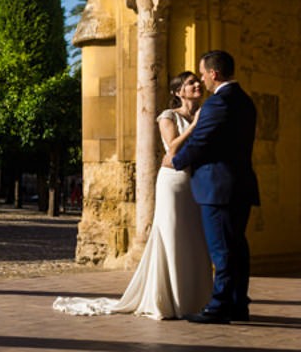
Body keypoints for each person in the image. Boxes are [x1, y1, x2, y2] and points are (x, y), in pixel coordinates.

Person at [53, 71, 211, 319]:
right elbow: (172, 148)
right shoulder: (167, 116)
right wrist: (194, 125)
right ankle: (171, 301)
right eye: (190, 83)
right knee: (172, 235)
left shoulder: (206, 113)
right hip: (173, 183)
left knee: (193, 238)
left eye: (197, 81)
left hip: (196, 181)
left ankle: (195, 300)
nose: (196, 85)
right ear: (178, 92)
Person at [171, 49, 259, 323]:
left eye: (202, 73)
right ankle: (238, 304)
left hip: (218, 187)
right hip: (240, 185)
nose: (201, 79)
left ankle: (219, 306)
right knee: (237, 248)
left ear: (213, 73)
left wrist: (176, 161)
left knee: (221, 249)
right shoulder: (245, 101)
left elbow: (201, 141)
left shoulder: (218, 103)